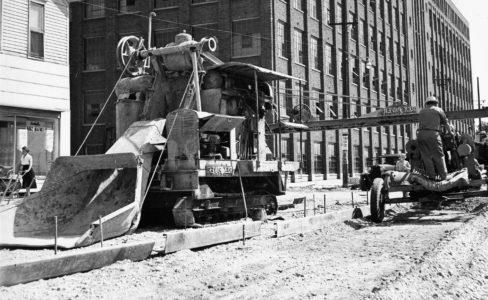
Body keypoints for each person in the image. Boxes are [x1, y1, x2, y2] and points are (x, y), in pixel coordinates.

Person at [417, 96, 450, 180]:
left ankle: (432, 177)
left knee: (426, 157)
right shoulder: (438, 110)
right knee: (439, 155)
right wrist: (450, 132)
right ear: (436, 103)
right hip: (433, 134)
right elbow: (446, 123)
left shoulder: (421, 111)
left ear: (426, 103)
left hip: (421, 134)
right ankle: (444, 176)